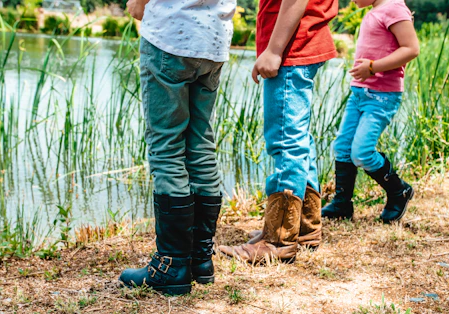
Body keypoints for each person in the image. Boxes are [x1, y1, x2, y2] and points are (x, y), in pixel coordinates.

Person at [118, 0, 236, 295]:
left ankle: (172, 264)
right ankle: (199, 260)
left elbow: (137, 8)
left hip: (171, 33)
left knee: (167, 146)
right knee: (200, 145)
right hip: (214, 39)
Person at [219, 0, 339, 263]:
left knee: (286, 141)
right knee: (297, 139)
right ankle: (305, 228)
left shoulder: (284, 49)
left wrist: (274, 50)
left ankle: (278, 240)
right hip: (299, 42)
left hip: (291, 47)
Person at [322, 0, 419, 223]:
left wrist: (373, 67)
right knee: (342, 147)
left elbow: (411, 48)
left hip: (381, 96)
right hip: (359, 94)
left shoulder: (394, 8)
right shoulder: (375, 10)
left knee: (362, 152)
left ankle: (399, 191)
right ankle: (342, 203)